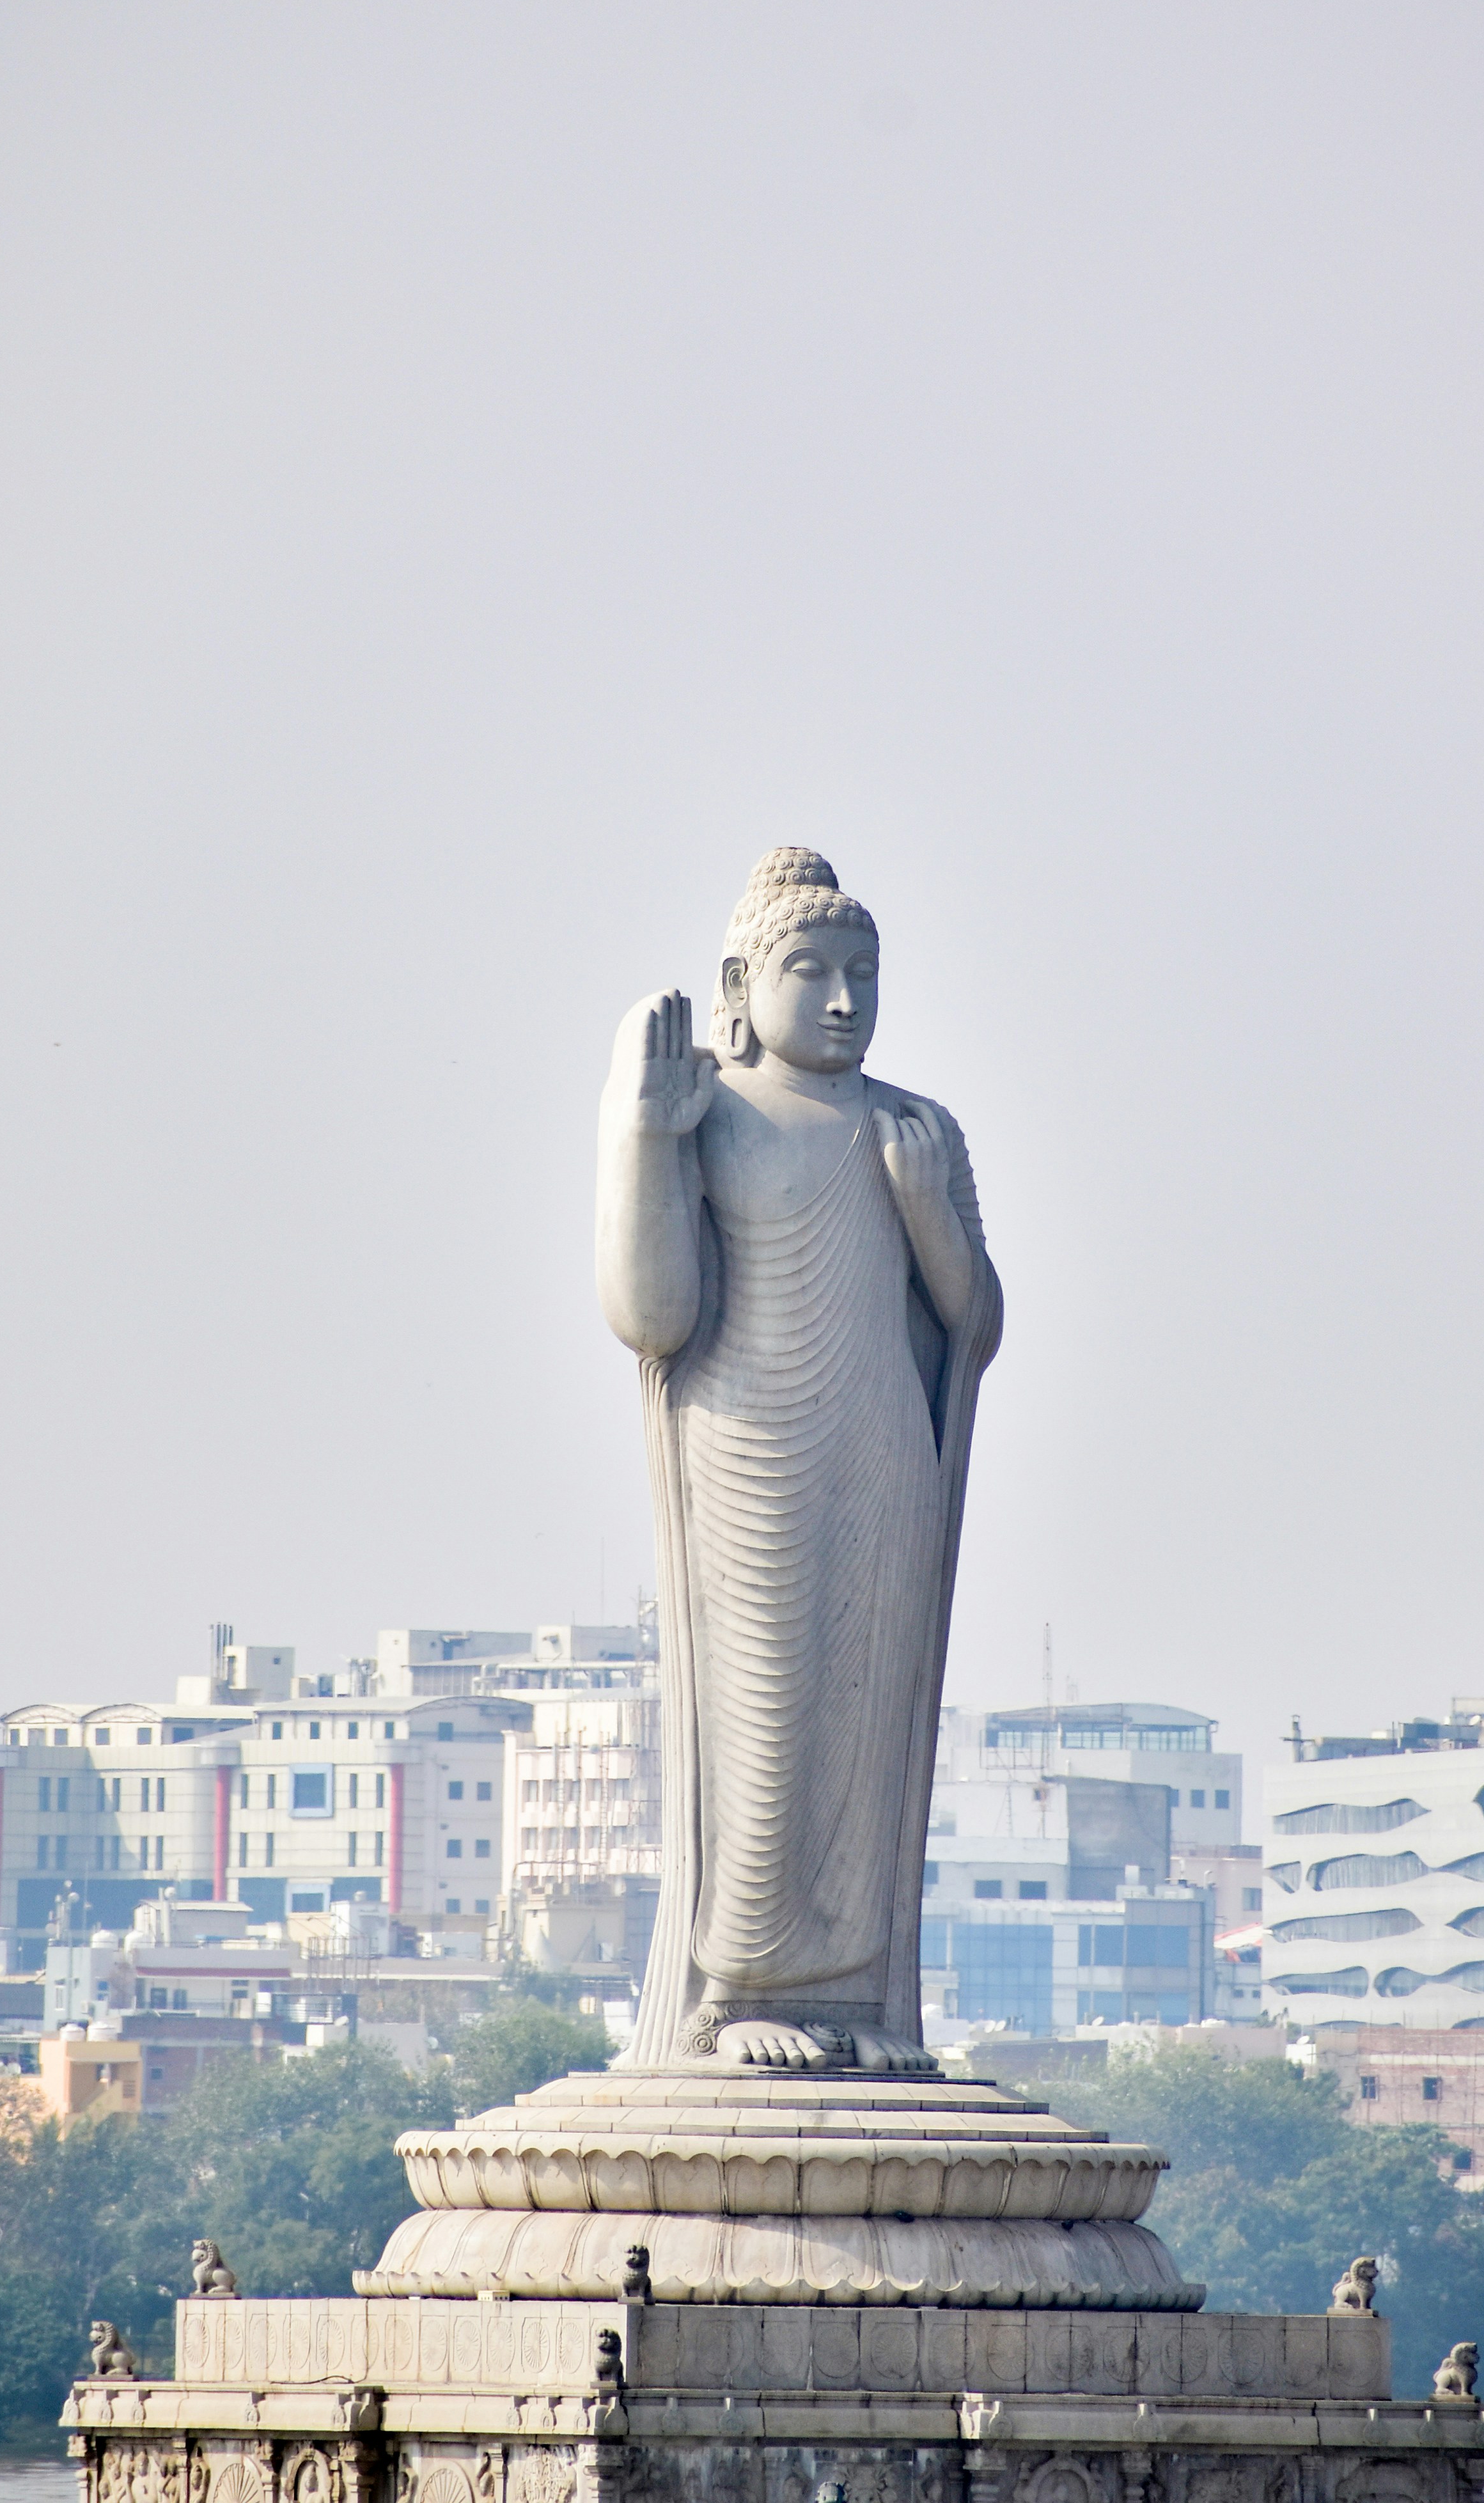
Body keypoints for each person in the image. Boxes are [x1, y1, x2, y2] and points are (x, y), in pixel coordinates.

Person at [597, 846, 1001, 2069]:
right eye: (810, 970)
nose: (842, 999)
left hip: (884, 1447)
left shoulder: (917, 1128)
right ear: (740, 980)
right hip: (750, 1445)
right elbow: (651, 1315)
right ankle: (740, 1993)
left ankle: (857, 2000)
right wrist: (645, 1142)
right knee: (766, 1715)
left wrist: (929, 1212)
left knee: (865, 1721)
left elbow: (973, 1323)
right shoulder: (707, 1111)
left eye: (863, 974)